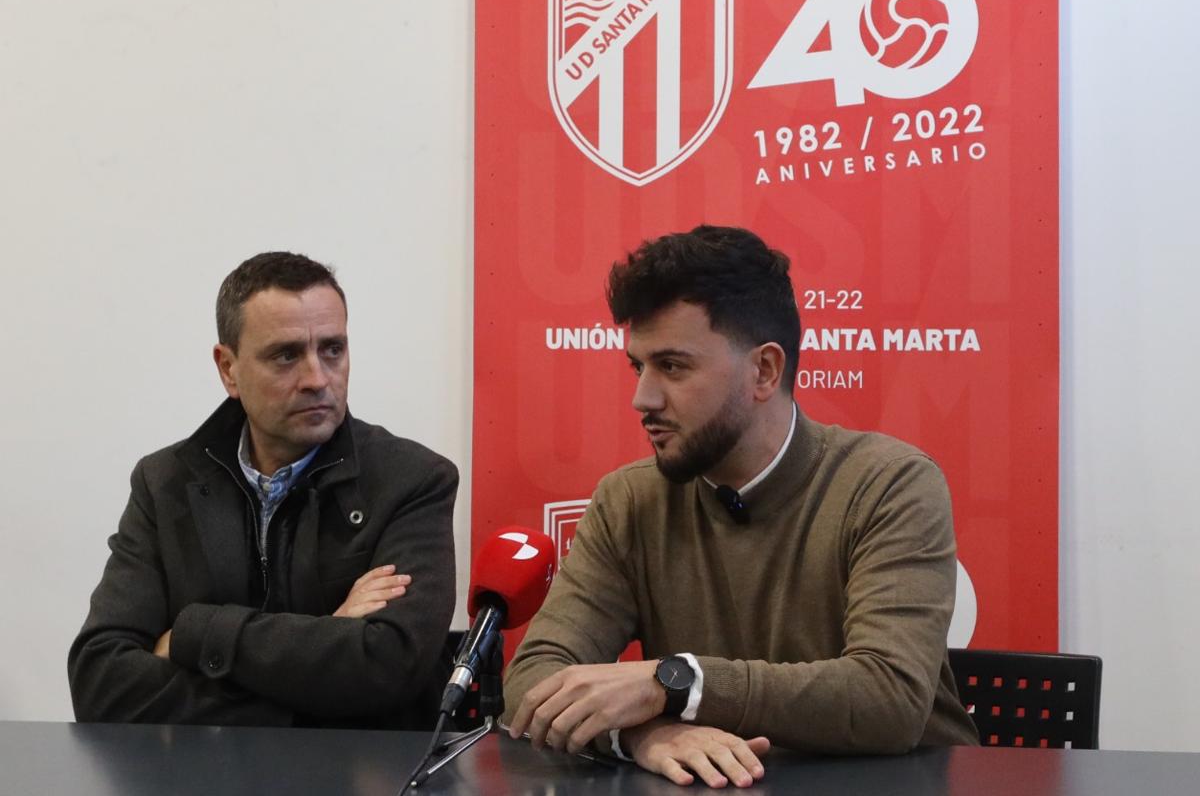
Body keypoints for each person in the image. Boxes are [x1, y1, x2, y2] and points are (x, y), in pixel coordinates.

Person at [504, 225, 978, 788]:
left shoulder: (889, 484)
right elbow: (534, 679)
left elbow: (889, 697)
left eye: (673, 367)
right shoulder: (629, 499)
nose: (643, 398)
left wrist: (674, 684)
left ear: (764, 371)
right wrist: (642, 735)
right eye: (639, 367)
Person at [68, 252, 457, 728]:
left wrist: (195, 632)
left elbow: (388, 668)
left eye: (333, 349)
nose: (317, 379)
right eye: (286, 355)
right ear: (228, 369)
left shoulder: (412, 481)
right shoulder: (164, 482)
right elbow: (100, 682)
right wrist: (328, 640)